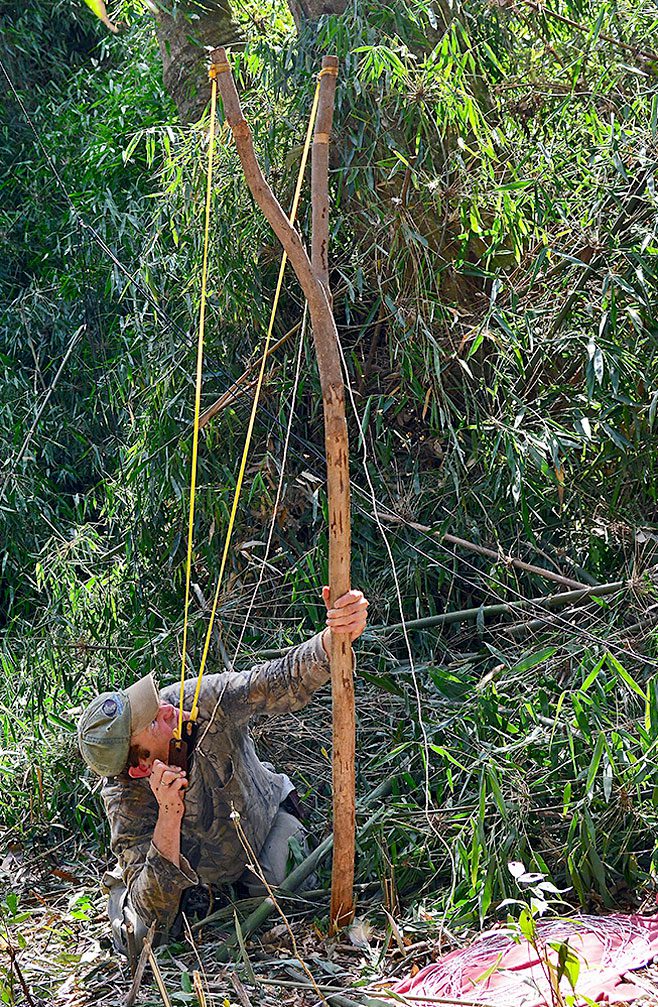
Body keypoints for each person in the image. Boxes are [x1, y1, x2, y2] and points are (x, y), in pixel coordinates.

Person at [77, 586, 369, 956]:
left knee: (283, 893)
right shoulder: (125, 797)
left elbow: (274, 681)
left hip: (262, 828)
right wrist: (169, 814)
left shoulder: (197, 699)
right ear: (140, 767)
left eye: (152, 703)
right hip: (198, 875)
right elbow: (149, 909)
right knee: (139, 939)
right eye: (152, 722)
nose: (166, 709)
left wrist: (333, 637)